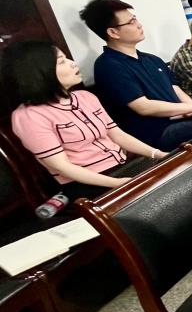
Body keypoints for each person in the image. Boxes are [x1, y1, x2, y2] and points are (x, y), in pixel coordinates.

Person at [1, 41, 168, 200]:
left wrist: (157, 154)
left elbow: (117, 135)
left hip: (124, 166)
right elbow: (61, 166)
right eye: (62, 62)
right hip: (89, 184)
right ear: (40, 72)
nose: (73, 63)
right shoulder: (28, 116)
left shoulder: (85, 97)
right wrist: (117, 183)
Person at [81, 0, 192, 155]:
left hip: (182, 120)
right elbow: (143, 107)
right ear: (113, 32)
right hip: (158, 133)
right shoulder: (108, 66)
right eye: (131, 22)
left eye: (135, 19)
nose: (139, 25)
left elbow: (175, 89)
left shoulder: (152, 59)